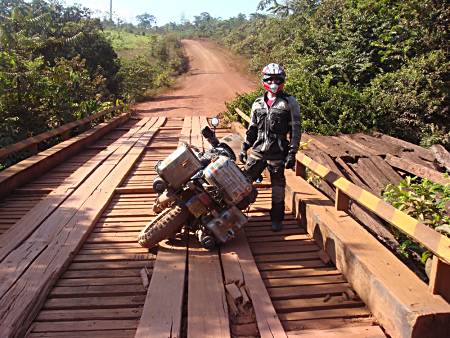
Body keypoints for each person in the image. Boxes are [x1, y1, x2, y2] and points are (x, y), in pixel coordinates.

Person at [239, 63, 301, 231]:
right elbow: (252, 128)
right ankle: (234, 211)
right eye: (270, 79)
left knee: (278, 189)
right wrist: (244, 147)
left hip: (278, 153)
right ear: (264, 80)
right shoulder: (257, 103)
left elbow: (295, 130)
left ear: (282, 81)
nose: (274, 82)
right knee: (242, 182)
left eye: (277, 79)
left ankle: (277, 219)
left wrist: (292, 153)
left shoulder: (290, 102)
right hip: (258, 151)